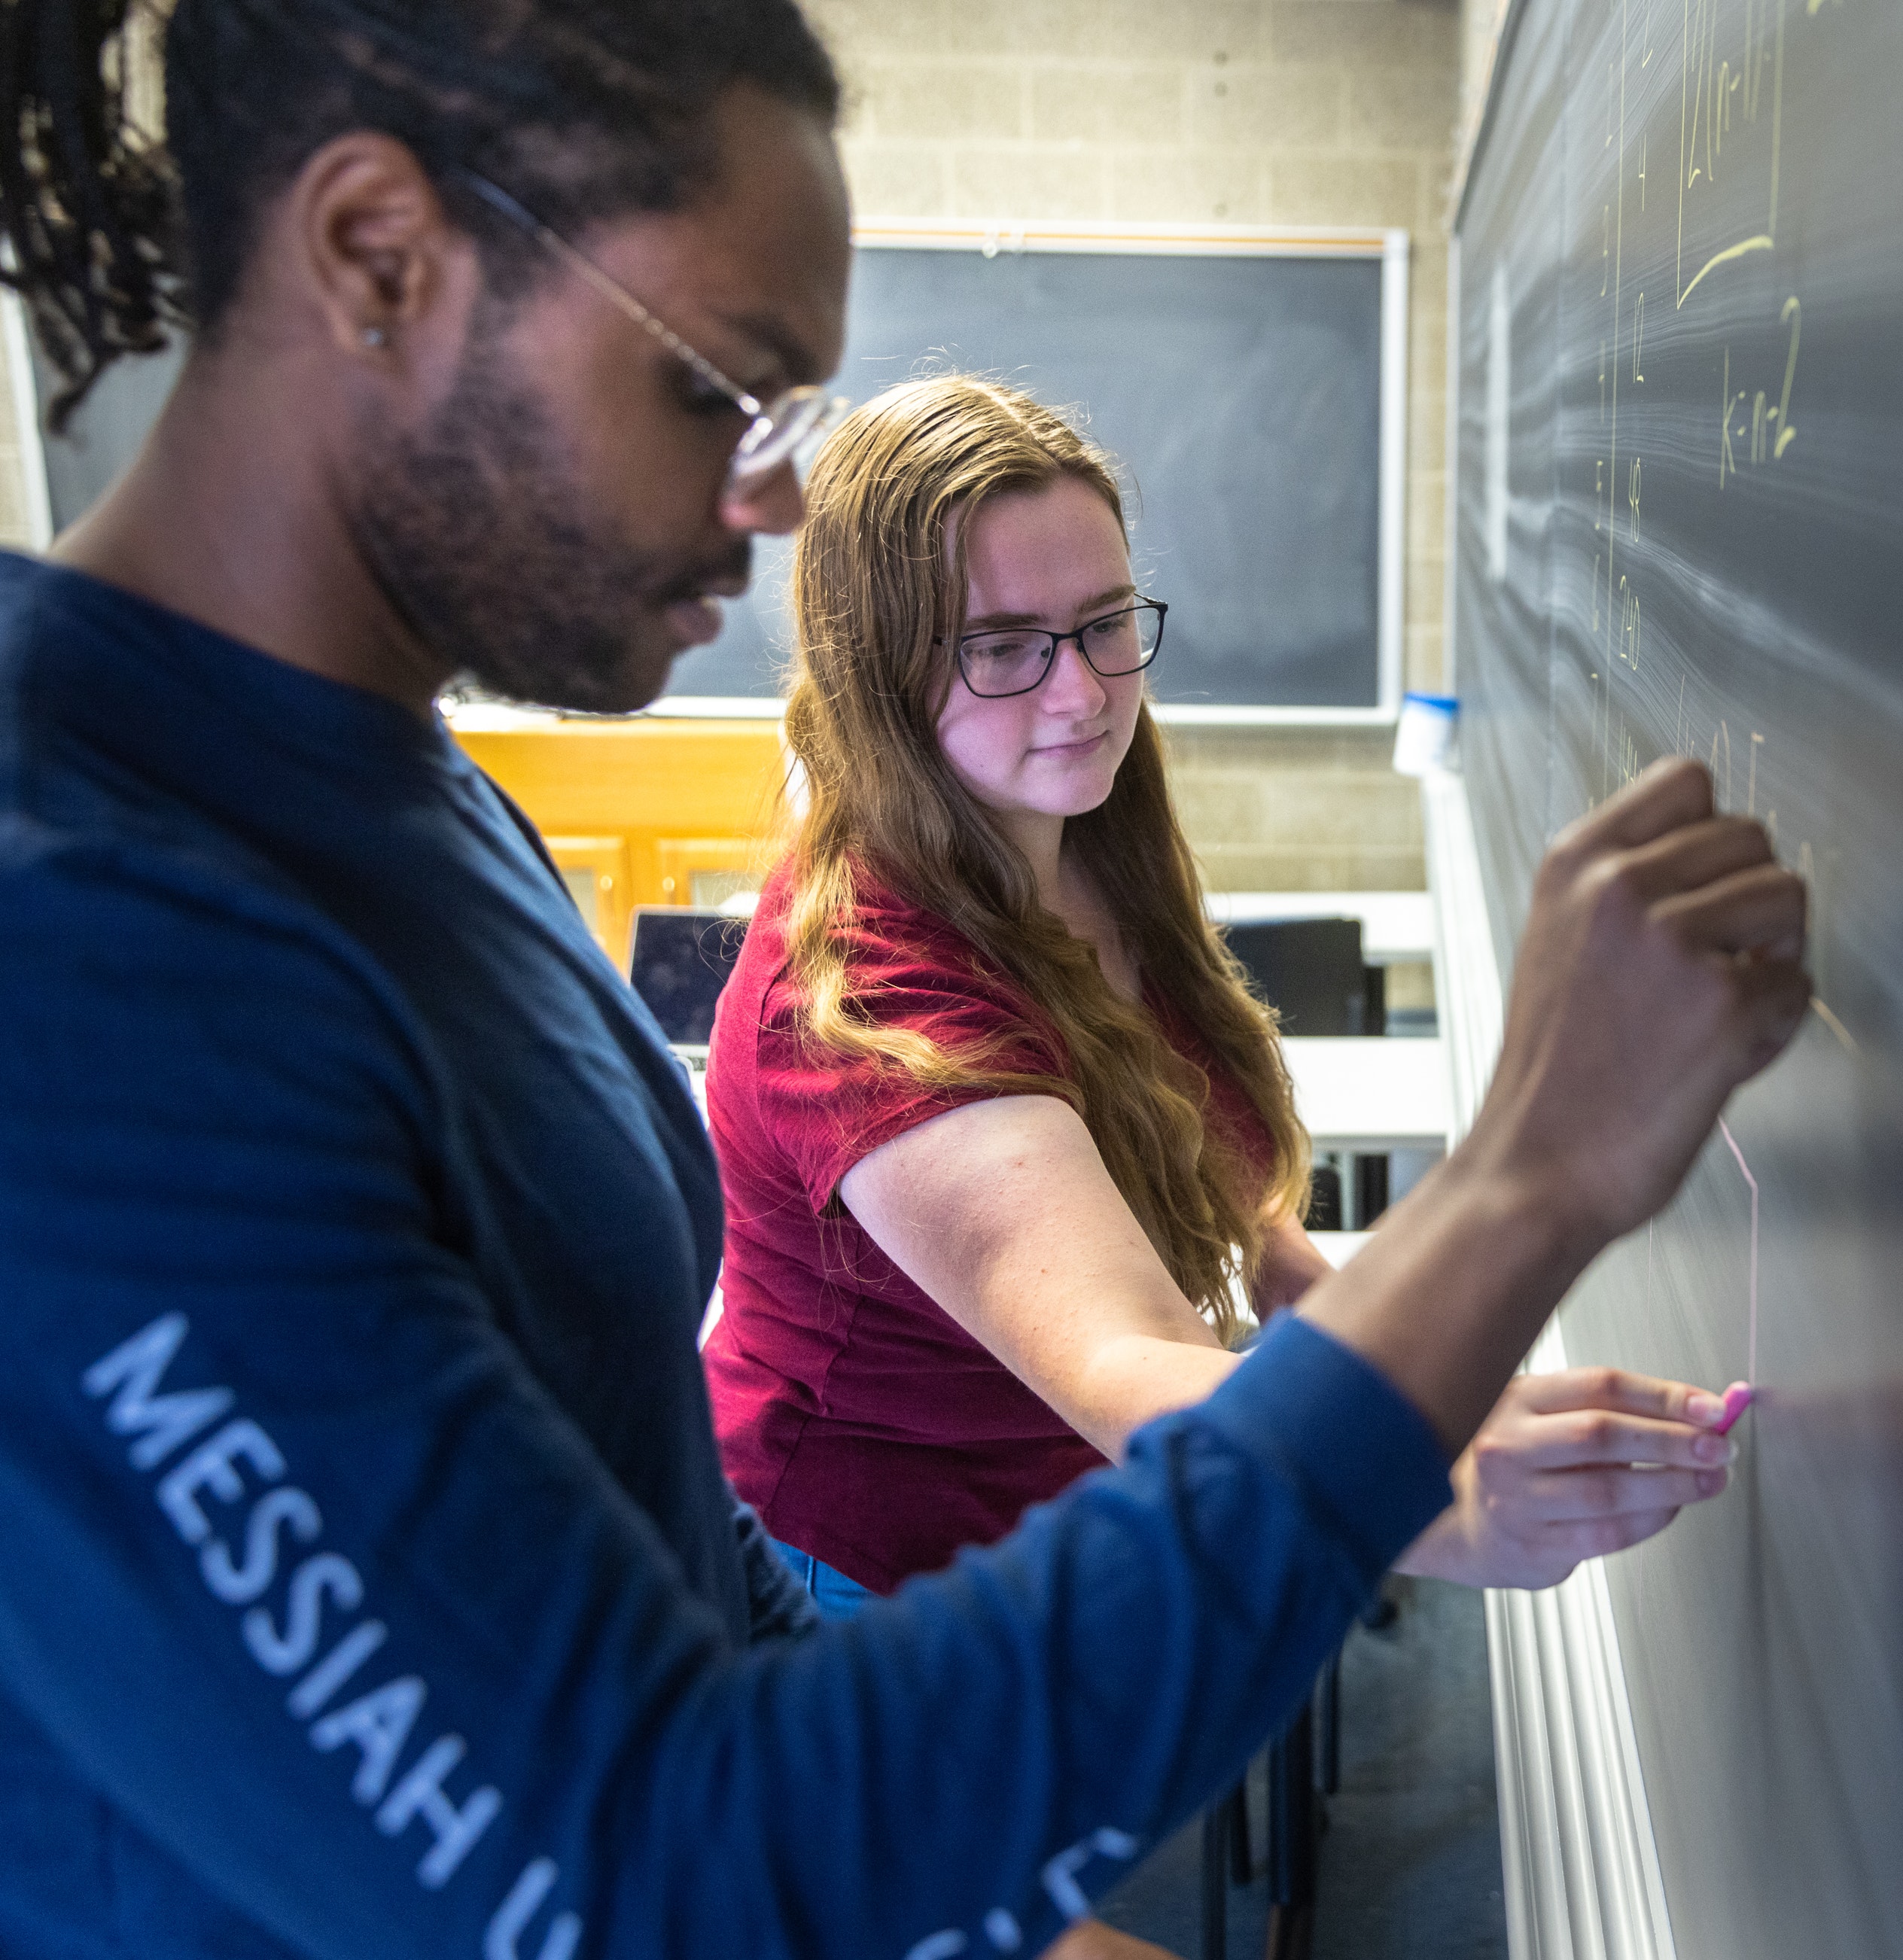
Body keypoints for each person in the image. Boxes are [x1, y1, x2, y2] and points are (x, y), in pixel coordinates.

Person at [0, 7, 1810, 1960]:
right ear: (378, 258)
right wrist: (1526, 1181)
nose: (774, 505)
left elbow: (684, 1566)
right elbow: (652, 1874)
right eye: (720, 390)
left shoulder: (403, 787)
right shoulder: (92, 969)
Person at [702, 375, 1741, 1615]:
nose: (1082, 692)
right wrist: (1431, 1488)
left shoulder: (1079, 833)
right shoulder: (864, 1007)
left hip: (1055, 1528)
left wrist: (1341, 1314)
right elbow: (1124, 1360)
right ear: (877, 671)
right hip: (873, 1595)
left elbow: (1195, 1160)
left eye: (1101, 624)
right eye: (1001, 649)